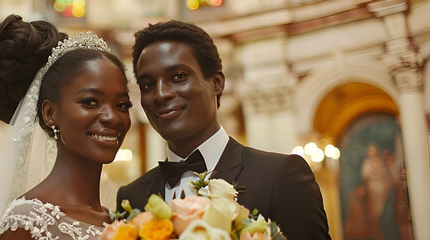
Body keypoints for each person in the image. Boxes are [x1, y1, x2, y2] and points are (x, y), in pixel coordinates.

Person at [116, 20, 331, 240]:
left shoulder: (281, 176)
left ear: (217, 83)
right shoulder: (131, 197)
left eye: (178, 76)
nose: (161, 94)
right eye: (148, 85)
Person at [0, 15, 132, 240]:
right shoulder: (27, 223)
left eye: (122, 105)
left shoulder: (124, 220)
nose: (112, 117)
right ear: (49, 113)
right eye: (90, 102)